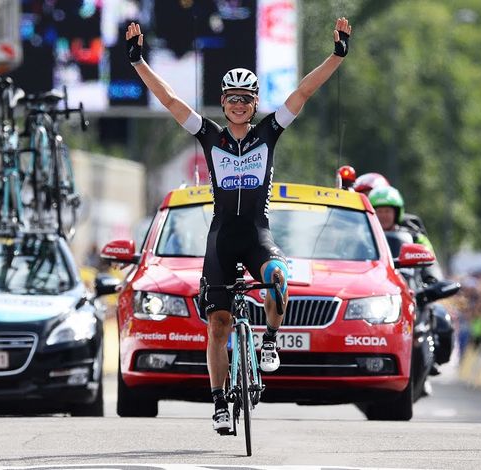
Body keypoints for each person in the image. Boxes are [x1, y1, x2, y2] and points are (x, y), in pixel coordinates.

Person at [124, 17, 352, 432]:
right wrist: (139, 61)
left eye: (246, 99)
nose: (239, 105)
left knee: (279, 278)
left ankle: (269, 340)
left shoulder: (270, 131)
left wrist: (336, 55)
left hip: (257, 235)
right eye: (233, 98)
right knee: (218, 325)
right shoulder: (210, 136)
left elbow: (303, 91)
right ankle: (219, 404)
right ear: (223, 101)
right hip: (222, 239)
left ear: (254, 102)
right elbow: (172, 100)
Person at [368, 185, 442, 283]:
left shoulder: (416, 238)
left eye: (387, 211)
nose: (383, 215)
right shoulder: (364, 239)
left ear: (397, 213)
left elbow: (431, 263)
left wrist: (432, 279)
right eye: (379, 211)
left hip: (409, 288)